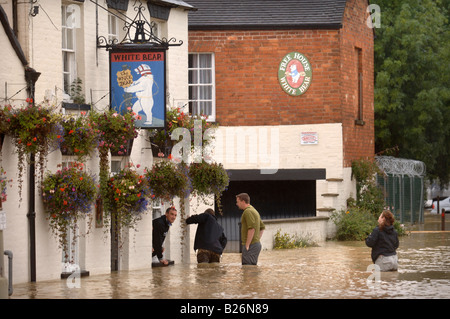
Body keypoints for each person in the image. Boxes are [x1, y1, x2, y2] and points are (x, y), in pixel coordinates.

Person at [236, 193, 265, 265]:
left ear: (243, 201)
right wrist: (257, 239)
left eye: (238, 202)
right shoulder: (254, 210)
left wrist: (247, 245)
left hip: (251, 246)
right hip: (255, 245)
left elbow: (252, 228)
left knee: (247, 270)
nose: (237, 204)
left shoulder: (247, 211)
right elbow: (262, 227)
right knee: (251, 271)